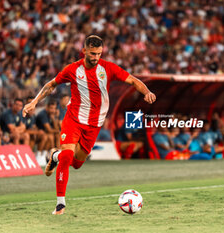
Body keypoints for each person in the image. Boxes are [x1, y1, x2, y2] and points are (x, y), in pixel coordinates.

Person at [22, 35, 156, 215]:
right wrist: (34, 102)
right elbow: (51, 85)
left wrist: (146, 91)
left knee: (76, 163)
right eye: (92, 53)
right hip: (74, 119)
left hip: (94, 125)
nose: (95, 57)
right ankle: (60, 204)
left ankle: (55, 156)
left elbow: (132, 80)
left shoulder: (108, 68)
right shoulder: (72, 69)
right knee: (68, 156)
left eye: (99, 54)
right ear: (84, 50)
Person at [35, 99, 61, 165]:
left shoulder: (52, 115)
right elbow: (49, 129)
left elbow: (56, 128)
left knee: (57, 135)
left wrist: (54, 118)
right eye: (51, 108)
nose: (53, 110)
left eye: (54, 108)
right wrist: (57, 131)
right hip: (38, 134)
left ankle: (57, 154)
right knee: (50, 136)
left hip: (46, 133)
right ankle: (41, 156)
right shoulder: (43, 114)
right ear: (47, 107)